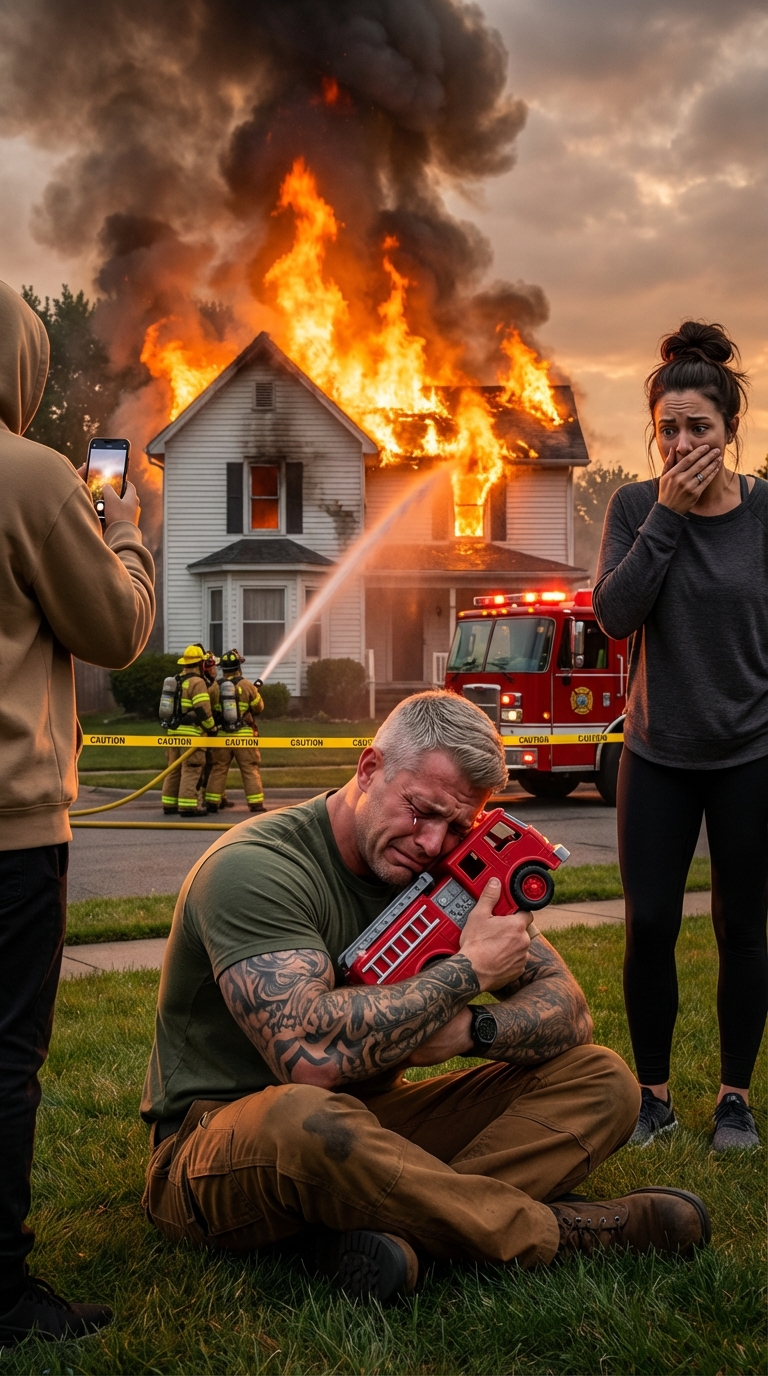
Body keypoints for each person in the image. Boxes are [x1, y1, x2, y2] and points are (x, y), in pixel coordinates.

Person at [141, 690, 710, 1304]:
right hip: (223, 1145)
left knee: (602, 1079)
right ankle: (557, 1232)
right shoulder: (256, 866)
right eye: (421, 811)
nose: (434, 844)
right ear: (368, 769)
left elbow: (570, 1012)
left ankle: (384, 1230)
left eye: (458, 825)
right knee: (302, 1116)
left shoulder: (445, 871)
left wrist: (472, 1032)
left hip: (374, 1129)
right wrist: (468, 973)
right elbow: (309, 1054)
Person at [0, 281, 155, 1344]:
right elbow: (115, 630)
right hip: (10, 825)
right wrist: (127, 535)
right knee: (5, 1059)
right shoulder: (32, 477)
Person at [593, 320, 767, 1152]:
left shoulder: (765, 511)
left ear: (731, 431)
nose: (684, 442)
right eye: (669, 429)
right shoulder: (634, 505)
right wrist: (665, 514)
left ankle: (735, 1100)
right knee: (651, 923)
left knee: (744, 928)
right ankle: (652, 1097)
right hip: (657, 754)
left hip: (751, 757)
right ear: (653, 434)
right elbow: (615, 615)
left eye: (700, 427)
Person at [205, 649, 265, 815]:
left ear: (223, 668)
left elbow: (208, 707)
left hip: (222, 736)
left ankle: (211, 802)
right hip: (244, 737)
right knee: (249, 769)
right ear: (238, 666)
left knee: (218, 768)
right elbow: (259, 708)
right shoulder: (247, 686)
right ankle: (256, 804)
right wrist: (255, 692)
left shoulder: (215, 686)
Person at [160, 646, 217, 817]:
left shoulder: (176, 679)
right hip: (192, 734)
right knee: (191, 769)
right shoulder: (197, 682)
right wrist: (212, 728)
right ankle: (189, 806)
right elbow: (202, 710)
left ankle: (169, 804)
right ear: (200, 663)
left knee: (173, 769)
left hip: (173, 732)